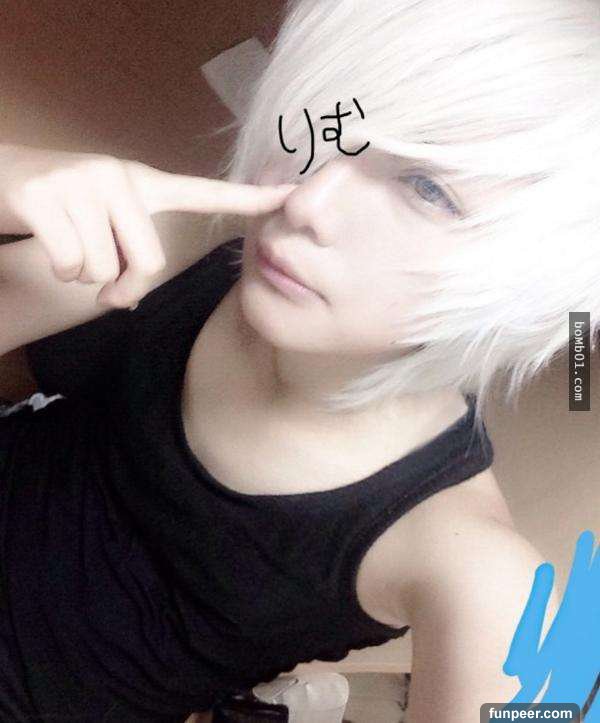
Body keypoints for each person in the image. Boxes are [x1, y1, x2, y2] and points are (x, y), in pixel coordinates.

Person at [1, 0, 599, 718]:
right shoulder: (190, 252)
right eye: (333, 122)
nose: (310, 201)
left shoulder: (465, 559)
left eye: (428, 189)